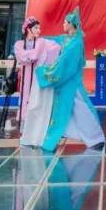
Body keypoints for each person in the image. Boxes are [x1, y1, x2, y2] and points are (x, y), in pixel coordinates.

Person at [35, 8, 105, 151]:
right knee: (67, 110)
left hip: (72, 83)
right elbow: (53, 40)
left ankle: (96, 137)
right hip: (67, 83)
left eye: (65, 22)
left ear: (71, 25)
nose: (63, 25)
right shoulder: (67, 39)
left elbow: (65, 64)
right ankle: (90, 138)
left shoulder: (76, 43)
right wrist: (38, 39)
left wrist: (45, 71)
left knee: (81, 109)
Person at [13, 17, 62, 147]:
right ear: (28, 29)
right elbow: (23, 57)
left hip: (37, 77)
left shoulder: (40, 42)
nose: (39, 30)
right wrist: (33, 55)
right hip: (25, 77)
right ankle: (24, 128)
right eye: (36, 28)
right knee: (25, 99)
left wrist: (34, 56)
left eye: (39, 28)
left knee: (37, 101)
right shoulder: (19, 44)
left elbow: (56, 48)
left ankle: (38, 130)